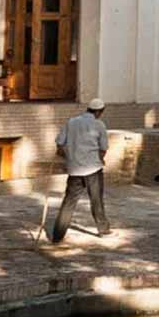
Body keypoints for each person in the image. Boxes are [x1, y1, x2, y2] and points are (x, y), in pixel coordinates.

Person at [50, 98, 111, 242]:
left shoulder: (71, 122)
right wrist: (101, 159)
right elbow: (103, 148)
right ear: (99, 111)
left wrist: (69, 157)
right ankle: (103, 230)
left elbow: (59, 145)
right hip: (93, 169)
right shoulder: (99, 125)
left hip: (75, 170)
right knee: (96, 200)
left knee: (69, 203)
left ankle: (57, 236)